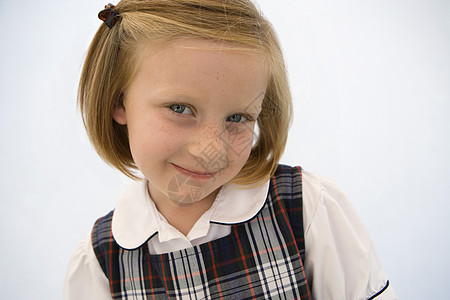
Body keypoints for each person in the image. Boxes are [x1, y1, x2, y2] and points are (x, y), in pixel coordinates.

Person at [63, 1, 398, 299]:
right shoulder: (100, 263)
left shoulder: (308, 209)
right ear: (117, 101)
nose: (209, 147)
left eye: (237, 117)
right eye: (180, 108)